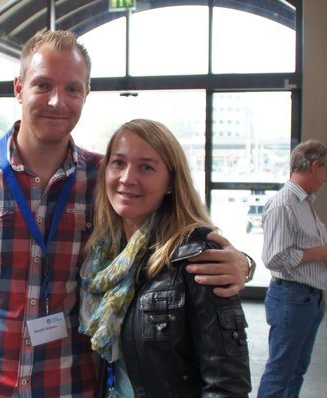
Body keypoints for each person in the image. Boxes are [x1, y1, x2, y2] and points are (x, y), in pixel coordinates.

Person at [0, 30, 253, 398]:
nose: (58, 101)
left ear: (86, 94)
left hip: (76, 388)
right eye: (43, 85)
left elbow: (168, 236)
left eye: (72, 89)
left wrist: (241, 263)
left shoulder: (105, 181)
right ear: (18, 88)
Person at [79, 119, 251, 397]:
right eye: (119, 163)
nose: (127, 178)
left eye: (146, 167)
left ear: (171, 181)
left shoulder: (197, 253)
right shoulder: (102, 252)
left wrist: (246, 264)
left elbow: (227, 382)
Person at [257, 140, 327, 398]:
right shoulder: (283, 204)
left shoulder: (305, 202)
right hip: (292, 298)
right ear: (314, 166)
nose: (325, 178)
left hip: (309, 298)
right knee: (281, 371)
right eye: (325, 170)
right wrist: (320, 253)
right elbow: (274, 258)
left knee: (296, 369)